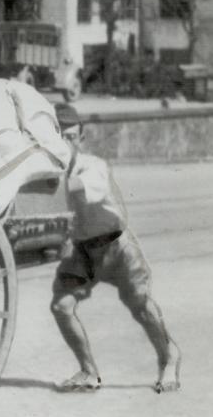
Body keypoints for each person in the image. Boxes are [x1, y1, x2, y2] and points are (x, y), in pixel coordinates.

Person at [50, 104, 181, 393]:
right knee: (61, 306)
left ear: (81, 138)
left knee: (142, 308)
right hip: (83, 252)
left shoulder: (93, 165)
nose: (65, 143)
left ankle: (169, 357)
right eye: (59, 136)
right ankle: (88, 372)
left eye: (71, 136)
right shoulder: (51, 171)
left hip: (118, 247)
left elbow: (70, 188)